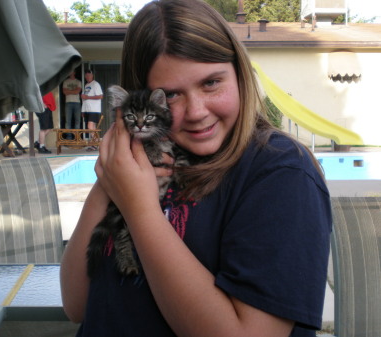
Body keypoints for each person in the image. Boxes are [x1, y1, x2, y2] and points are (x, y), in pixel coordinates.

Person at [60, 1, 332, 336]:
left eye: (211, 83)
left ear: (239, 74)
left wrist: (139, 209)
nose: (196, 112)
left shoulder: (280, 172)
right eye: (171, 94)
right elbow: (75, 303)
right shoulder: (136, 166)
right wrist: (109, 183)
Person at [81, 69, 103, 151]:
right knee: (92, 127)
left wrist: (88, 97)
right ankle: (94, 144)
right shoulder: (86, 85)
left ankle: (96, 143)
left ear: (92, 75)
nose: (87, 76)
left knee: (90, 126)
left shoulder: (95, 84)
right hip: (87, 109)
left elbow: (100, 96)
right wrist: (83, 110)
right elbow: (84, 99)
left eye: (89, 75)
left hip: (94, 109)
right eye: (86, 75)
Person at [63, 72, 82, 136]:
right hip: (68, 102)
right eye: (69, 71)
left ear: (74, 72)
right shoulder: (65, 82)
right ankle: (69, 138)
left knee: (77, 121)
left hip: (77, 103)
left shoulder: (78, 82)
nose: (70, 73)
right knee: (68, 121)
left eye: (72, 71)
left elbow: (77, 91)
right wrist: (74, 91)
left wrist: (69, 91)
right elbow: (65, 92)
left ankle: (76, 138)